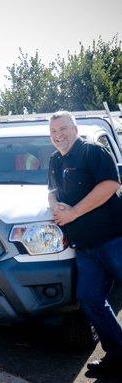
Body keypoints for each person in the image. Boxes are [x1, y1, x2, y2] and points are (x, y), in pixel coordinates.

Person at [48, 111, 122, 377]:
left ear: (74, 128)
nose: (58, 135)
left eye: (63, 129)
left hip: (114, 239)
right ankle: (117, 355)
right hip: (85, 247)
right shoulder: (55, 160)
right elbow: (52, 191)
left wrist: (74, 212)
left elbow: (111, 184)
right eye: (53, 132)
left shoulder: (93, 151)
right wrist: (55, 206)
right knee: (90, 299)